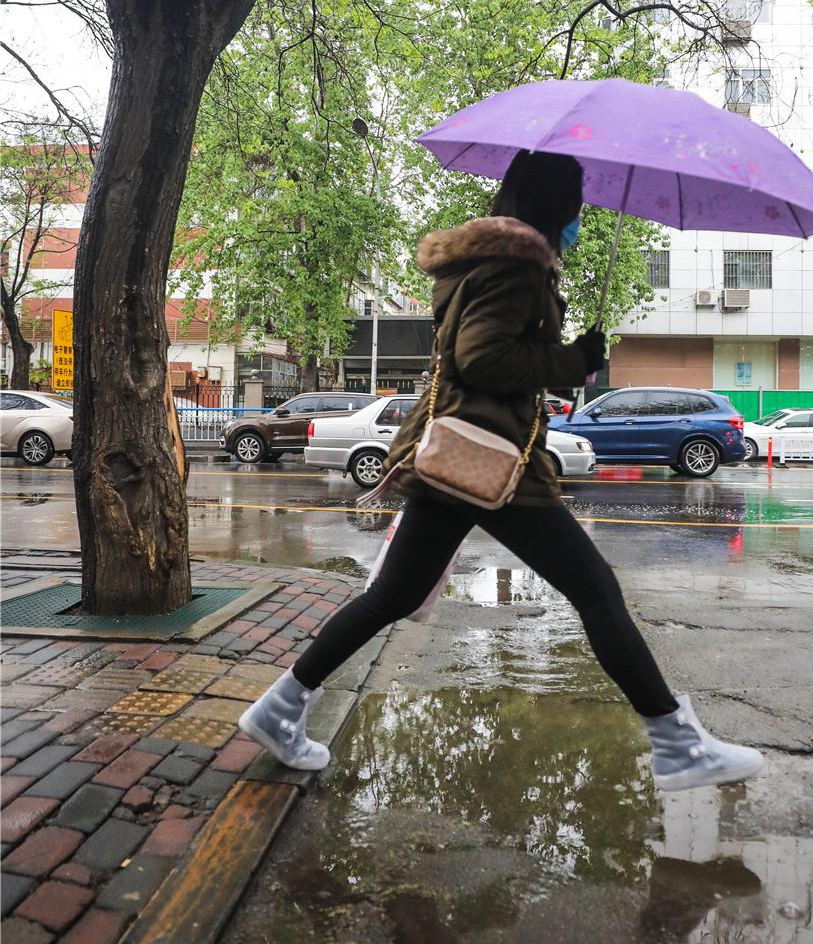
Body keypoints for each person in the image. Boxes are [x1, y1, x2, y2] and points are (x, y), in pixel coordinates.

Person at [239, 150, 764, 791]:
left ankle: (281, 707)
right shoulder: (517, 265)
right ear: (554, 207)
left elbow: (477, 355)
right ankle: (677, 744)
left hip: (455, 456)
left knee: (393, 596)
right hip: (493, 459)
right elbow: (483, 359)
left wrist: (561, 351)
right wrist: (570, 362)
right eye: (575, 207)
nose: (579, 220)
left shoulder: (483, 261)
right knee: (596, 589)